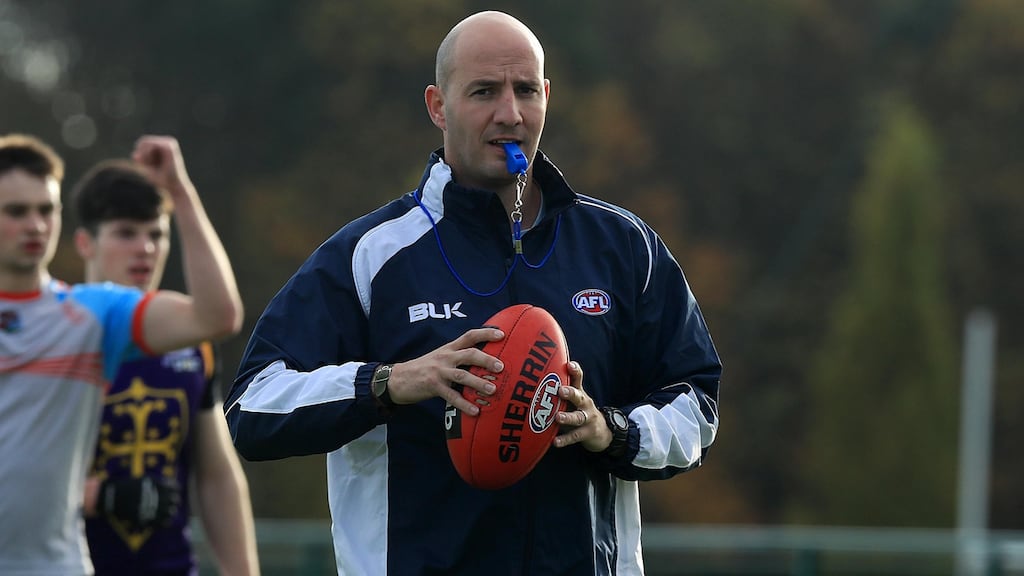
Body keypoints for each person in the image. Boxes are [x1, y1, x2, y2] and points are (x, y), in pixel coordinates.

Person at [226, 10, 720, 576]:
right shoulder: (371, 255)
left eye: (525, 91)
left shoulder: (624, 248)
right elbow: (251, 407)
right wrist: (393, 382)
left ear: (547, 97)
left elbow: (697, 406)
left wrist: (610, 430)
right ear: (438, 106)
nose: (509, 114)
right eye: (484, 91)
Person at [0, 133, 244, 576]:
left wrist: (180, 192)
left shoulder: (92, 313)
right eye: (17, 211)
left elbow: (218, 316)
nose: (35, 225)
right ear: (85, 242)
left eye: (46, 210)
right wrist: (100, 495)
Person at [71, 159, 260, 576]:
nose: (146, 248)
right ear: (85, 243)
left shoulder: (191, 346)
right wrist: (97, 496)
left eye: (156, 233)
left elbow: (217, 477)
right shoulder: (58, 330)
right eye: (126, 233)